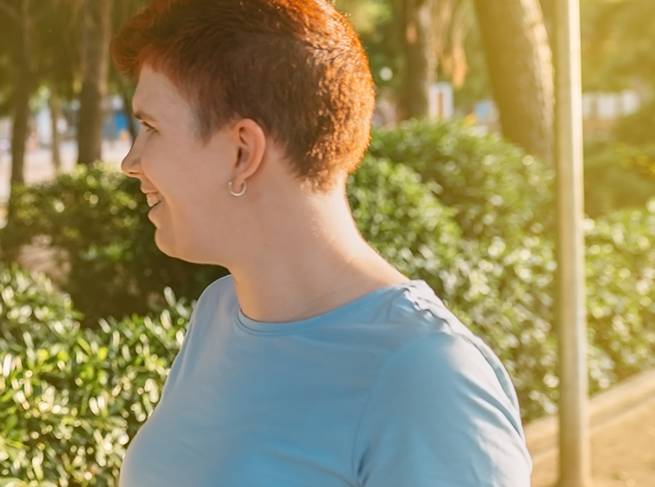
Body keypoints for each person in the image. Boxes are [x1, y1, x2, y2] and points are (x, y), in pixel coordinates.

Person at [108, 0, 531, 485]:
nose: (131, 162)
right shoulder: (219, 314)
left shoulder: (428, 378)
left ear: (242, 151)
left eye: (151, 128)